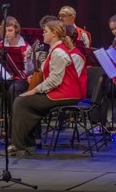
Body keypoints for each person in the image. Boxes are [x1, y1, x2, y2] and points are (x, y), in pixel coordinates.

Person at [9, 20, 82, 155]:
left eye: (46, 31)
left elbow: (55, 80)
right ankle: (26, 143)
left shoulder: (58, 52)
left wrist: (34, 90)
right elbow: (43, 72)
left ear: (54, 33)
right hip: (60, 92)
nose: (43, 34)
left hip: (66, 94)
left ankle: (20, 146)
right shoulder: (54, 50)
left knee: (21, 102)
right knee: (23, 101)